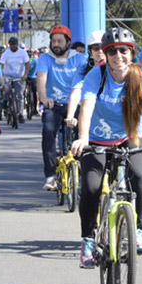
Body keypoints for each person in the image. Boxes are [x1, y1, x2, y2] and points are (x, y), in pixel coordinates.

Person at [70, 28, 142, 267]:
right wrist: (84, 137)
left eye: (124, 51)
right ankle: (88, 240)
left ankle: (137, 230)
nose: (119, 56)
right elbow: (86, 107)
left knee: (137, 175)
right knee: (91, 186)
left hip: (131, 135)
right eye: (113, 51)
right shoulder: (96, 75)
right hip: (97, 138)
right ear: (106, 55)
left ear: (132, 53)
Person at [36, 25, 88, 189]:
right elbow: (41, 79)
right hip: (54, 104)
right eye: (53, 41)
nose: (56, 44)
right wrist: (44, 98)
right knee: (48, 131)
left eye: (60, 41)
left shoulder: (79, 59)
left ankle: (84, 169)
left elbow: (86, 81)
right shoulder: (45, 58)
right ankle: (50, 175)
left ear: (68, 42)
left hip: (75, 103)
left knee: (85, 132)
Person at [65, 29, 106, 126]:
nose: (100, 51)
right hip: (87, 109)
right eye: (96, 47)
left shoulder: (115, 67)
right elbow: (76, 92)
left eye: (103, 47)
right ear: (90, 50)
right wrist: (70, 116)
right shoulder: (83, 68)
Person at [0, 36, 30, 124]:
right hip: (8, 75)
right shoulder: (6, 53)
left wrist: (25, 75)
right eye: (11, 45)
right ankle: (5, 101)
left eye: (14, 45)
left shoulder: (22, 53)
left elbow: (27, 64)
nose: (12, 46)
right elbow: (1, 64)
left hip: (19, 77)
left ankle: (20, 113)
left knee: (20, 95)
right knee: (6, 90)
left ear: (17, 44)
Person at [25, 48, 39, 116]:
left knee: (34, 92)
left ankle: (35, 109)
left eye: (30, 56)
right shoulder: (23, 61)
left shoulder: (35, 61)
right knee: (23, 90)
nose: (29, 58)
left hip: (33, 77)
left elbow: (37, 70)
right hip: (26, 76)